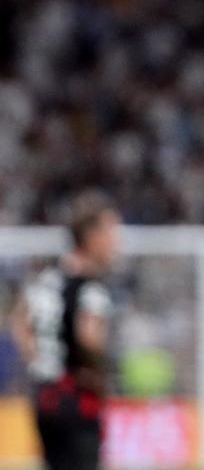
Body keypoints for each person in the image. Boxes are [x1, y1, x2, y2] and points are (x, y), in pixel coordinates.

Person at [10, 191, 121, 470]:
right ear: (91, 236)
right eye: (111, 233)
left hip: (44, 398)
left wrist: (37, 360)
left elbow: (19, 320)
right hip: (78, 398)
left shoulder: (47, 279)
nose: (116, 243)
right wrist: (99, 371)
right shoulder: (91, 288)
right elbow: (89, 336)